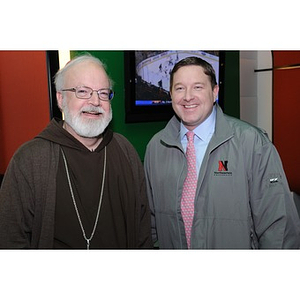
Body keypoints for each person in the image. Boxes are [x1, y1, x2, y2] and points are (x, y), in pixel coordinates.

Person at [144, 56, 300, 249]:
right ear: (170, 94)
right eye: (180, 88)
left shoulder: (251, 143)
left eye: (198, 87)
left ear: (215, 91)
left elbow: (279, 227)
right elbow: (150, 223)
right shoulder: (156, 147)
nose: (188, 96)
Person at [0, 54, 152, 249]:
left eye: (103, 93)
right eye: (83, 91)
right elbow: (10, 239)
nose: (95, 101)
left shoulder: (125, 150)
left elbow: (142, 232)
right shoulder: (29, 160)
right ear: (61, 99)